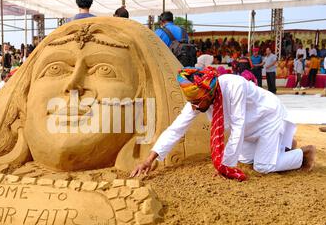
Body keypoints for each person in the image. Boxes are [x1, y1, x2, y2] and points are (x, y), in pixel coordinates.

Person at [130, 67, 316, 179]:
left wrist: (224, 166)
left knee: (263, 167)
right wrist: (148, 160)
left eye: (197, 103)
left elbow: (237, 127)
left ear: (209, 95)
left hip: (267, 118)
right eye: (192, 103)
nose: (193, 107)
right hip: (249, 129)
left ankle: (303, 155)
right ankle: (283, 147)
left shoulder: (234, 85)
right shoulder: (198, 99)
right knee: (245, 160)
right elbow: (176, 129)